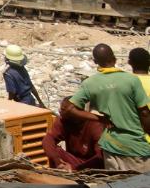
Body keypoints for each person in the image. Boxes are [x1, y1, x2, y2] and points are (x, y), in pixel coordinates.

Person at [66, 43, 150, 172]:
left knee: (116, 186)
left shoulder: (90, 83)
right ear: (115, 58)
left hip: (110, 146)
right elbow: (144, 113)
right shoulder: (131, 80)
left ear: (95, 61)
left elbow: (69, 109)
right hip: (135, 147)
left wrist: (99, 118)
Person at [42, 97, 105, 171]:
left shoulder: (95, 126)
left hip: (89, 164)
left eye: (62, 109)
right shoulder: (63, 120)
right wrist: (58, 162)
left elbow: (100, 157)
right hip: (72, 159)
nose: (59, 111)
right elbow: (48, 139)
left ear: (75, 113)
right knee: (54, 149)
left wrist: (75, 168)